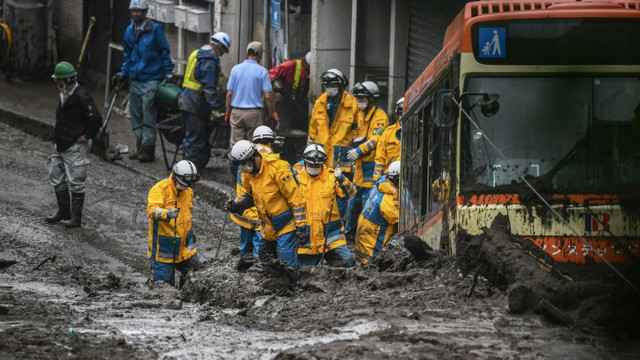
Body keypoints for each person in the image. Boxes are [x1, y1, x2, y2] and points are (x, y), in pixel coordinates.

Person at [225, 140, 308, 267]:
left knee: (285, 264)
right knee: (264, 262)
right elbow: (249, 196)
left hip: (285, 224)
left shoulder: (278, 168)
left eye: (245, 163)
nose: (244, 167)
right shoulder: (248, 173)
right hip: (267, 226)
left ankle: (291, 284)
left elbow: (296, 200)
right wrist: (236, 206)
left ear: (254, 156)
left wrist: (302, 228)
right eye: (241, 165)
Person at [113, 0, 174, 163]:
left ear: (145, 12)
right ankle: (139, 145)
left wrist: (168, 71)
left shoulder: (155, 30)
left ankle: (148, 150)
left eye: (138, 11)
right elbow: (127, 55)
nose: (135, 14)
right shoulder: (129, 31)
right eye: (133, 11)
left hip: (152, 78)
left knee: (148, 113)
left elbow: (164, 51)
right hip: (135, 79)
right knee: (135, 114)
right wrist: (124, 73)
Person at [46, 61, 102, 228]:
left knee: (76, 181)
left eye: (58, 80)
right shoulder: (65, 94)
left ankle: (75, 218)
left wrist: (86, 135)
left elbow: (96, 119)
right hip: (61, 143)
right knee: (55, 175)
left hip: (74, 146)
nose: (57, 83)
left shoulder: (81, 96)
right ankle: (64, 212)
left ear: (65, 80)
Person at [178, 32, 231, 172]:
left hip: (185, 100)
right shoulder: (210, 59)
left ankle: (184, 168)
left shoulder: (196, 53)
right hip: (196, 103)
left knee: (190, 137)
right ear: (219, 47)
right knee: (196, 139)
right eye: (223, 50)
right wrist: (214, 108)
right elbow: (209, 86)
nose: (222, 54)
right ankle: (190, 172)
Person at [296, 144, 356, 267]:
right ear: (305, 162)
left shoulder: (332, 177)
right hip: (307, 237)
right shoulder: (296, 179)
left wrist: (342, 179)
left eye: (317, 166)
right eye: (311, 165)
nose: (314, 168)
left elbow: (352, 192)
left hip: (331, 236)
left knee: (348, 262)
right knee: (301, 273)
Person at [345, 81, 389, 242]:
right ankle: (350, 233)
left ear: (372, 98)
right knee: (353, 201)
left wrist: (359, 150)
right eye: (358, 97)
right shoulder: (360, 114)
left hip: (371, 165)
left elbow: (377, 139)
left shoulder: (380, 117)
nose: (359, 100)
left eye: (362, 97)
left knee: (366, 203)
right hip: (359, 166)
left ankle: (364, 235)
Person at [146, 160, 201, 288]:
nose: (186, 187)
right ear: (175, 178)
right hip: (164, 248)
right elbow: (151, 210)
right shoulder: (160, 189)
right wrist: (167, 214)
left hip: (185, 246)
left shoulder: (188, 191)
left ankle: (184, 293)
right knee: (164, 286)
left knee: (195, 273)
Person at [228, 125, 278, 258]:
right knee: (258, 248)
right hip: (257, 212)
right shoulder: (267, 157)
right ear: (270, 141)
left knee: (245, 246)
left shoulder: (243, 155)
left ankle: (243, 269)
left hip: (243, 210)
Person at [225, 42, 276, 149]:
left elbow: (229, 93)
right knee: (254, 145)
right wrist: (271, 113)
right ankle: (251, 165)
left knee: (236, 144)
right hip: (254, 113)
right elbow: (267, 96)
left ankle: (235, 165)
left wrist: (227, 112)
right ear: (259, 54)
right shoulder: (262, 71)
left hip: (237, 112)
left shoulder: (236, 69)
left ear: (247, 53)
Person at [354, 160, 400, 265]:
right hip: (373, 239)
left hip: (364, 234)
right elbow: (399, 221)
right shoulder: (387, 199)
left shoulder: (380, 186)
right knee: (372, 265)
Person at [268, 51, 311, 132]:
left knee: (300, 127)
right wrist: (277, 84)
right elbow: (271, 73)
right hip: (283, 101)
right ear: (306, 63)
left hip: (298, 103)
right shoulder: (291, 65)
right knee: (285, 128)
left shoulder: (309, 74)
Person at [373, 97, 403, 182]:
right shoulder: (388, 133)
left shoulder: (419, 133)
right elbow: (380, 159)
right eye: (401, 113)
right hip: (389, 178)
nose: (403, 116)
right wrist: (377, 181)